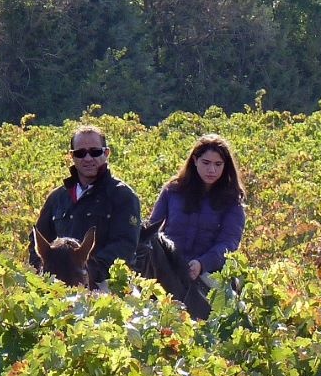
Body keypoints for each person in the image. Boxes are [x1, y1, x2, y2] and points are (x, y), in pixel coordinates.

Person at [143, 134, 246, 319]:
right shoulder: (172, 191)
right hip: (168, 267)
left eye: (218, 164)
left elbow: (229, 242)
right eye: (206, 163)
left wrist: (202, 263)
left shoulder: (232, 200)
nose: (211, 170)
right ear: (195, 160)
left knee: (226, 314)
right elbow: (153, 229)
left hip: (209, 271)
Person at [31, 123, 141, 291]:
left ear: (106, 153)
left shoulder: (123, 196)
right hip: (58, 280)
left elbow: (125, 244)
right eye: (80, 153)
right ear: (72, 156)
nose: (88, 158)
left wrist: (90, 269)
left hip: (106, 281)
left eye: (95, 152)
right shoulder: (57, 198)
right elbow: (37, 241)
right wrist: (43, 270)